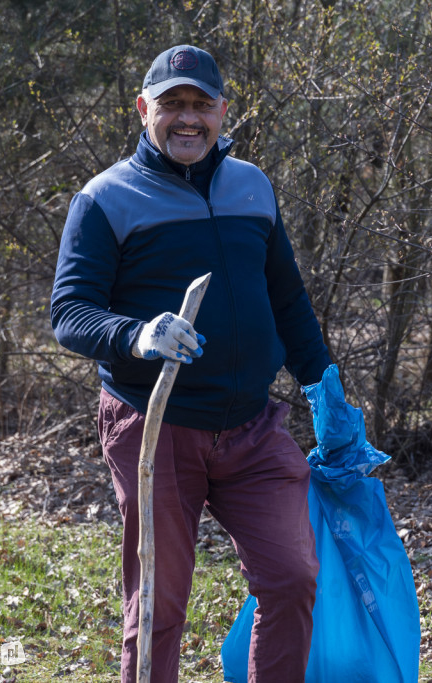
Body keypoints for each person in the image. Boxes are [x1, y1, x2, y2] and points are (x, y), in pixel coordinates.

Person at [50, 45, 331, 683]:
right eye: (172, 103)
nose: (187, 118)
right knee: (159, 602)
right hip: (156, 428)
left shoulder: (252, 186)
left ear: (222, 111)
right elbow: (69, 312)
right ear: (143, 109)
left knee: (292, 576)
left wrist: (324, 387)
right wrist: (137, 335)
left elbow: (287, 298)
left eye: (201, 104)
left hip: (252, 426)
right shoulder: (105, 199)